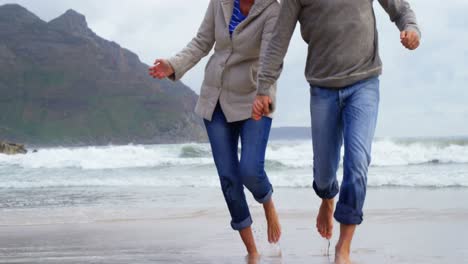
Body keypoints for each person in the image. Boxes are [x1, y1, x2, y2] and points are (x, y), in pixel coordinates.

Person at [251, 0, 420, 263]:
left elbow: (399, 8)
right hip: (322, 88)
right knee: (323, 174)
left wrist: (410, 28)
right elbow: (278, 41)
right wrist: (263, 88)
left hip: (364, 83)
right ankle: (327, 197)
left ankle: (344, 248)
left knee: (357, 163)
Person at [149, 0, 281, 258]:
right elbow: (202, 41)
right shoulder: (220, 2)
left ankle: (267, 202)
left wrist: (263, 93)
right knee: (229, 179)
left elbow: (270, 58)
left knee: (251, 171)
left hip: (254, 98)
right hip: (216, 98)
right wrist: (173, 65)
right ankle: (252, 251)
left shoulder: (272, 10)